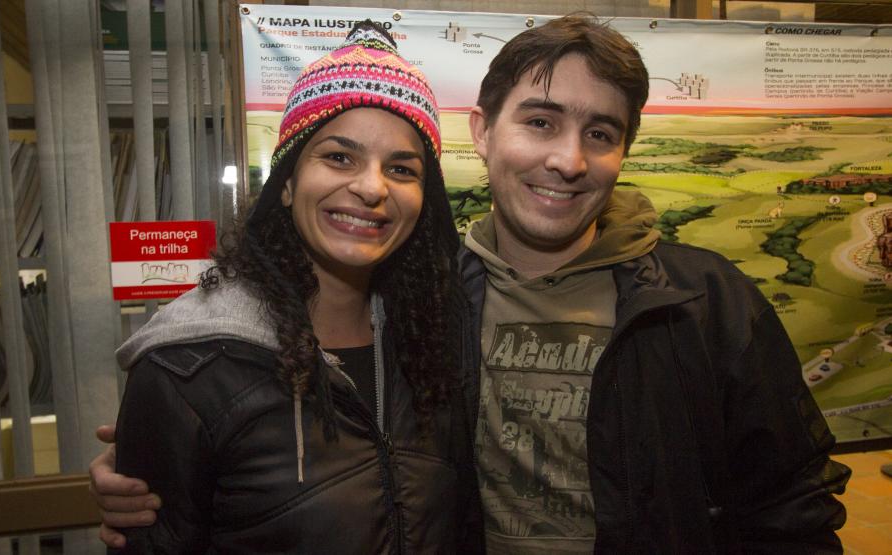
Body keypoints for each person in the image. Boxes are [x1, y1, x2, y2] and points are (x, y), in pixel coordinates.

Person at [91, 14, 850, 553]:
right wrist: (160, 463)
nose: (567, 161)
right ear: (483, 134)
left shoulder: (701, 301)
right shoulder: (436, 303)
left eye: (600, 133)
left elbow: (792, 507)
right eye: (540, 122)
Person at [98, 22, 477, 553]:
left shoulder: (437, 339)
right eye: (339, 157)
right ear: (287, 184)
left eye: (401, 168)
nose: (372, 187)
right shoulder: (189, 366)